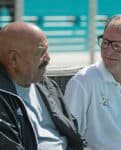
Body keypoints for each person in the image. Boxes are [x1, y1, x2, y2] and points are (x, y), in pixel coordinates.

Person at [64, 14, 121, 150]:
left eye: (117, 46)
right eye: (105, 43)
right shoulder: (82, 82)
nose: (108, 52)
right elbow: (67, 137)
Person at [0, 22, 87, 150]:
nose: (48, 58)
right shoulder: (3, 97)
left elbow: (74, 134)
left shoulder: (47, 86)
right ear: (14, 59)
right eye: (41, 52)